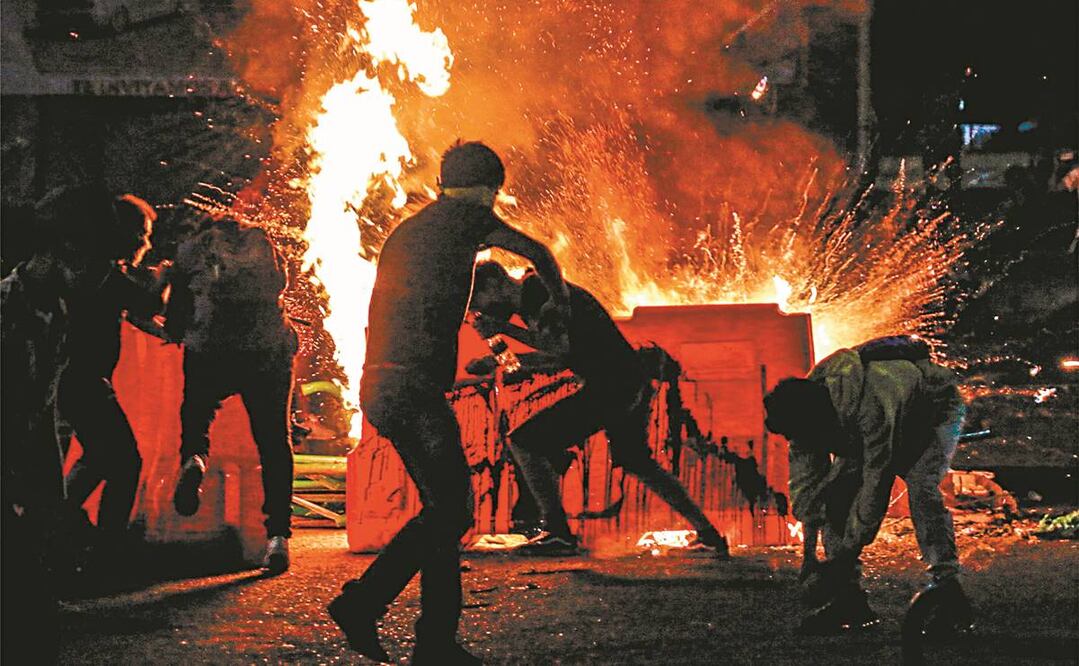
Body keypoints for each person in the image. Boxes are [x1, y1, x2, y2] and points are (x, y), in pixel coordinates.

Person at [327, 141, 570, 665]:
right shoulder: (467, 218)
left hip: (383, 384)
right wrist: (560, 302)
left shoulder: (414, 226)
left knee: (443, 510)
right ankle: (365, 604)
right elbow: (539, 253)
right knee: (453, 508)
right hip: (412, 387)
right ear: (490, 190)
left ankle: (433, 641)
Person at [466, 261, 729, 557]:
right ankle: (709, 534)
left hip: (611, 385)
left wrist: (502, 330)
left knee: (525, 442)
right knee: (637, 461)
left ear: (494, 284)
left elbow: (558, 352)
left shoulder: (539, 291)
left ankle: (559, 533)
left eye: (479, 300)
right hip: (625, 381)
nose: (482, 309)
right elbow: (552, 358)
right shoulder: (532, 301)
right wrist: (496, 357)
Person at [762, 335, 973, 635]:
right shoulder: (803, 413)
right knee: (836, 495)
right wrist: (809, 557)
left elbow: (876, 488)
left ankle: (948, 591)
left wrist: (839, 561)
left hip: (933, 411)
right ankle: (849, 601)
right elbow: (808, 488)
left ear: (816, 421)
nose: (799, 442)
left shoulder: (870, 406)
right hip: (876, 425)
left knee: (922, 489)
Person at [1, 186, 113, 662]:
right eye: (91, 259)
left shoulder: (57, 312)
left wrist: (50, 499)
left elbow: (41, 406)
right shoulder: (8, 311)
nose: (97, 273)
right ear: (63, 250)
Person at [165, 215, 298, 576]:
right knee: (273, 441)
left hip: (209, 349)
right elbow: (282, 286)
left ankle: (195, 458)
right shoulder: (263, 242)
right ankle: (278, 539)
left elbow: (175, 308)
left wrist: (178, 329)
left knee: (197, 413)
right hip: (267, 352)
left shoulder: (194, 248)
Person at [58, 192, 165, 548]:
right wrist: (165, 277)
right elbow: (145, 303)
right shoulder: (100, 269)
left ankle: (58, 524)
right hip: (81, 381)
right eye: (143, 232)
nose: (146, 242)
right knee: (125, 462)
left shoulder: (95, 267)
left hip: (75, 381)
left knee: (100, 457)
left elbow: (134, 314)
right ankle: (104, 547)